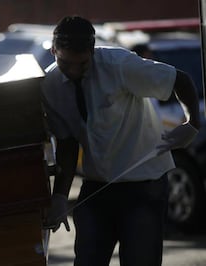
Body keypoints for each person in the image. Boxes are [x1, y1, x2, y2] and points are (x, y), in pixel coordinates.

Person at [41, 16, 200, 266]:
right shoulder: (50, 85)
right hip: (96, 187)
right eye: (65, 63)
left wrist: (192, 124)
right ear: (53, 51)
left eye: (82, 64)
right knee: (87, 261)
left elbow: (180, 80)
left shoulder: (119, 65)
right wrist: (60, 196)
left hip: (144, 186)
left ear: (92, 52)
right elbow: (68, 142)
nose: (73, 71)